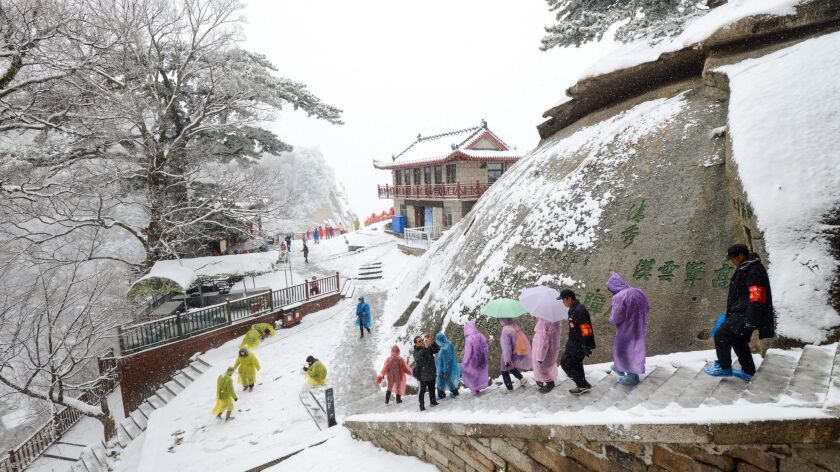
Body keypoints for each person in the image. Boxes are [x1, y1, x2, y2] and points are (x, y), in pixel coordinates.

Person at [705, 244, 775, 381]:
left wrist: (751, 319)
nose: (732, 261)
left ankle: (724, 367)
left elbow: (758, 296)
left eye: (733, 258)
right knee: (738, 340)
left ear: (741, 256)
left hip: (746, 313)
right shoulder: (746, 266)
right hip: (742, 310)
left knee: (721, 334)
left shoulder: (754, 270)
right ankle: (748, 371)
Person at [607, 272, 650, 386]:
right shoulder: (638, 292)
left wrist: (611, 320)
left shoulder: (619, 297)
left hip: (626, 329)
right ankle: (619, 367)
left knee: (623, 350)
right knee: (635, 350)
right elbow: (647, 307)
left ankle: (632, 377)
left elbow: (616, 317)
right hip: (639, 327)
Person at [558, 289, 596, 395]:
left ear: (569, 298)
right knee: (576, 364)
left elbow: (586, 328)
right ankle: (583, 385)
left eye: (563, 300)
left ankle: (582, 384)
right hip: (574, 343)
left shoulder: (579, 310)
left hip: (578, 345)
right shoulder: (573, 309)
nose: (563, 303)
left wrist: (586, 345)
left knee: (565, 363)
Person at [498, 318, 532, 392]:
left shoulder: (505, 330)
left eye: (500, 320)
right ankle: (521, 378)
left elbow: (507, 347)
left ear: (503, 320)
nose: (500, 322)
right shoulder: (514, 326)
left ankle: (509, 387)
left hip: (508, 354)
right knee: (511, 367)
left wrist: (506, 360)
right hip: (516, 352)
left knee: (504, 370)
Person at [460, 321, 490, 395]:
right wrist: (484, 356)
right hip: (482, 360)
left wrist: (464, 363)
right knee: (479, 373)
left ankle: (474, 389)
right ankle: (478, 387)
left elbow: (468, 353)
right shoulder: (481, 336)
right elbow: (486, 347)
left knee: (471, 375)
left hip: (472, 361)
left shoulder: (469, 339)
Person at [412, 336, 439, 411]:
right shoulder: (416, 351)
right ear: (416, 344)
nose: (422, 341)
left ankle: (433, 402)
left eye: (422, 340)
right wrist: (425, 347)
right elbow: (418, 357)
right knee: (422, 391)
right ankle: (421, 406)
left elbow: (437, 349)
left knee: (432, 388)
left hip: (431, 372)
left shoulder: (427, 347)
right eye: (419, 341)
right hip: (422, 374)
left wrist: (432, 343)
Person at [434, 332, 461, 399]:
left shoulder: (444, 349)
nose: (437, 342)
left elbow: (446, 362)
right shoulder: (449, 344)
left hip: (443, 369)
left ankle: (441, 395)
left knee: (440, 382)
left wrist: (446, 372)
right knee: (448, 381)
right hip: (448, 367)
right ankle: (454, 392)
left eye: (437, 340)